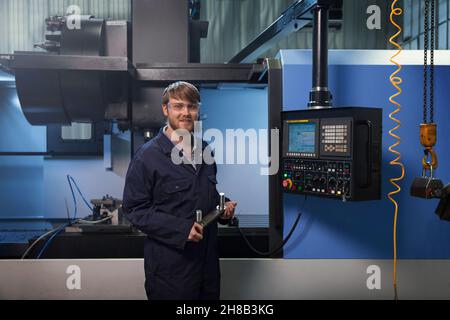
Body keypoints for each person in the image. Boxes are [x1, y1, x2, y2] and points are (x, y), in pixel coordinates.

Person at [122, 81, 237, 300]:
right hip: (171, 270)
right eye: (178, 106)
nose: (186, 112)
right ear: (165, 109)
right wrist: (180, 229)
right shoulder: (147, 157)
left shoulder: (205, 150)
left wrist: (222, 209)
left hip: (208, 267)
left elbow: (205, 195)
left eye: (192, 106)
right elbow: (134, 209)